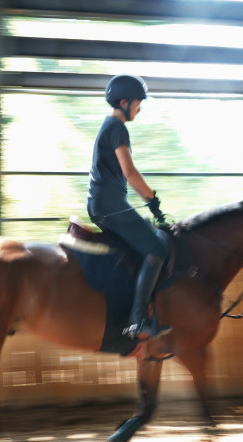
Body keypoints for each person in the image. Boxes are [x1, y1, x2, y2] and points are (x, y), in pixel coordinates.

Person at [87, 74, 172, 341]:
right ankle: (137, 322)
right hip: (109, 205)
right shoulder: (117, 127)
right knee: (157, 249)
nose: (140, 108)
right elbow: (130, 172)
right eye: (138, 102)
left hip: (107, 203)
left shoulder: (110, 126)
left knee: (153, 236)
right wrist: (152, 200)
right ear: (124, 102)